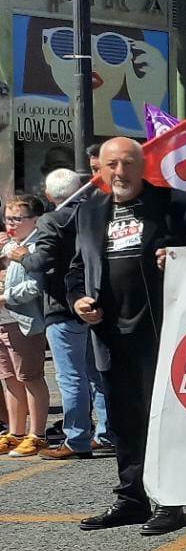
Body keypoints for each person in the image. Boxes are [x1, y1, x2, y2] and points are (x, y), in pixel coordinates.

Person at [69, 137, 186, 534]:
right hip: (111, 332)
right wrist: (79, 299)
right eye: (111, 165)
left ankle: (170, 499)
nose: (119, 172)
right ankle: (131, 498)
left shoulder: (177, 204)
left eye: (127, 164)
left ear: (143, 165)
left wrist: (183, 257)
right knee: (124, 420)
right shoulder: (90, 211)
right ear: (100, 168)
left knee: (163, 417)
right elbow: (76, 269)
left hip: (161, 329)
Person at [11, 169, 112, 460]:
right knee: (96, 374)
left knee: (70, 377)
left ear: (48, 195)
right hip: (95, 303)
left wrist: (22, 257)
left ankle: (77, 438)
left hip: (62, 305)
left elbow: (43, 259)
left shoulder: (52, 219)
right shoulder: (96, 214)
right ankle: (105, 433)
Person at [0, 196, 52, 458]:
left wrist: (6, 297)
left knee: (30, 376)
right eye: (8, 218)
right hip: (3, 320)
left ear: (35, 221)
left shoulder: (34, 248)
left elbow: (36, 286)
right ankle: (15, 431)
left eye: (17, 218)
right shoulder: (8, 246)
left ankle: (37, 434)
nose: (11, 223)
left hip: (24, 320)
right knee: (9, 377)